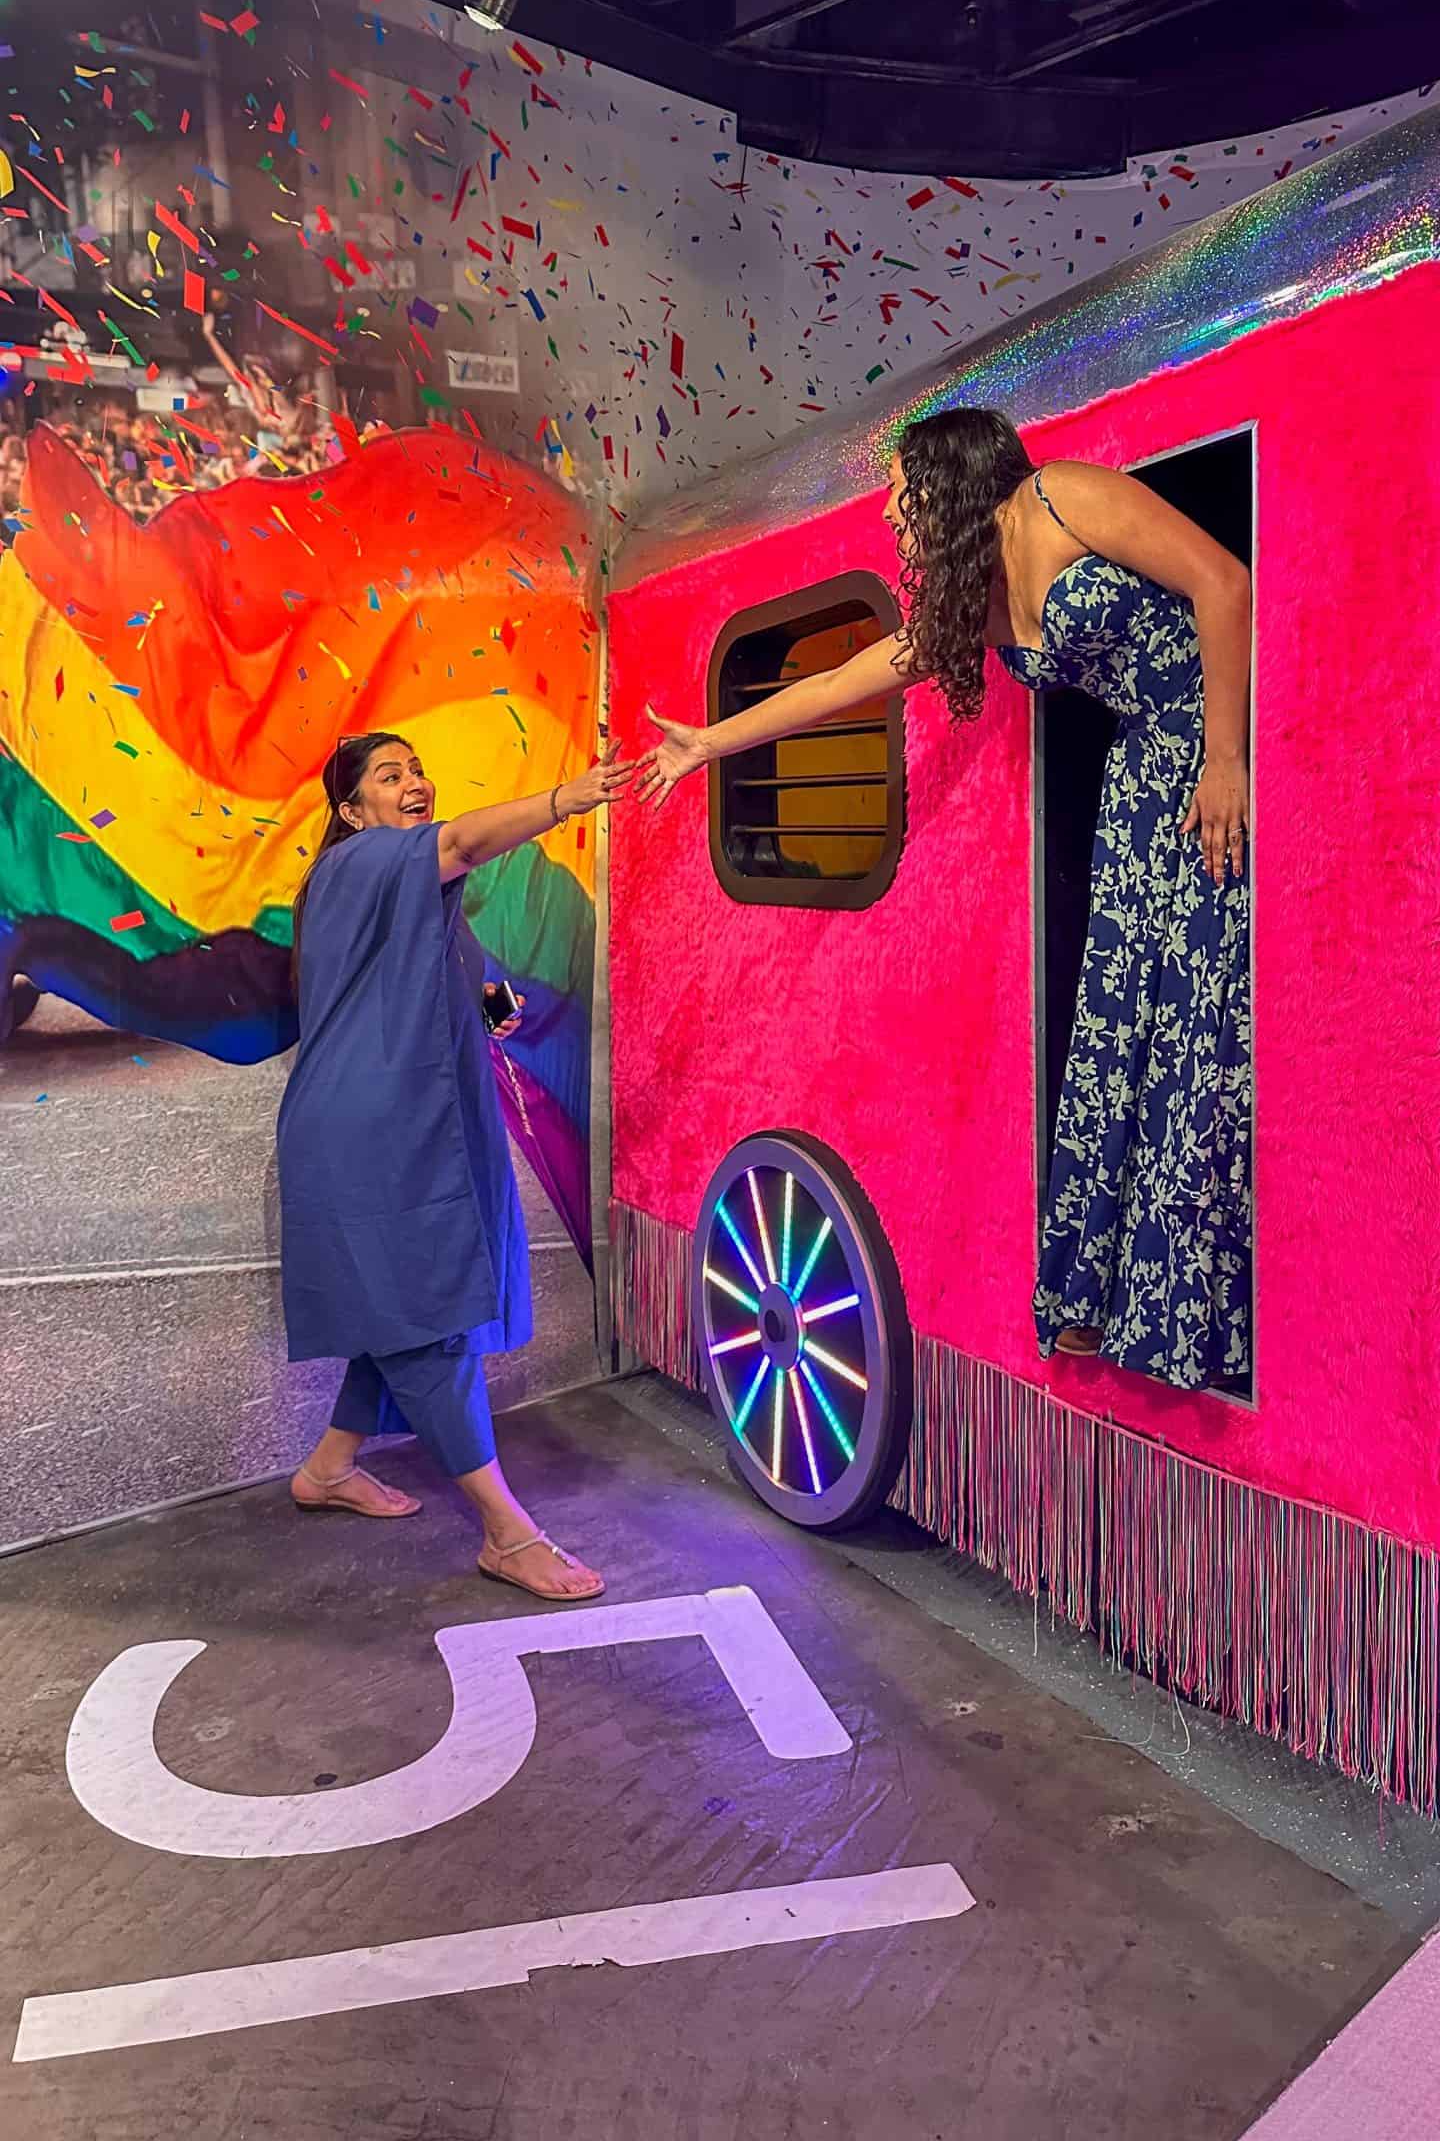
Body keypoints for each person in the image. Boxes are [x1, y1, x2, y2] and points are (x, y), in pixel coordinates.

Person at [639, 406, 1252, 1394]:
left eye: (898, 487)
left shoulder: (1061, 497)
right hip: (1143, 781)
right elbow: (843, 679)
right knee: (1119, 1040)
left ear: (947, 482)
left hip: (1217, 749)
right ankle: (1129, 1310)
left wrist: (1226, 760)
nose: (888, 508)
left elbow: (1227, 585)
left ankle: (1201, 1311)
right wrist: (711, 742)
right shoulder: (975, 598)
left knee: (1200, 1025)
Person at [281, 728, 633, 1599]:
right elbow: (463, 840)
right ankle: (507, 1534)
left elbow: (409, 989)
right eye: (391, 775)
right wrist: (565, 799)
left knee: (404, 1308)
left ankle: (326, 1469)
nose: (416, 783)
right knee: (424, 1323)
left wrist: (481, 1003)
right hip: (369, 1137)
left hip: (405, 1127)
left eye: (419, 769)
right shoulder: (363, 863)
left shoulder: (396, 890)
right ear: (350, 810)